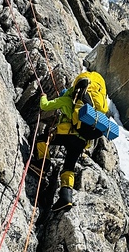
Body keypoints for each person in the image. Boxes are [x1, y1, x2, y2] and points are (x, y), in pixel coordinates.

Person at [31, 77, 104, 213]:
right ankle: (66, 198)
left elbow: (45, 106)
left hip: (67, 134)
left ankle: (42, 165)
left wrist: (43, 96)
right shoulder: (91, 108)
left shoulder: (67, 99)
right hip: (81, 141)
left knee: (42, 139)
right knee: (69, 167)